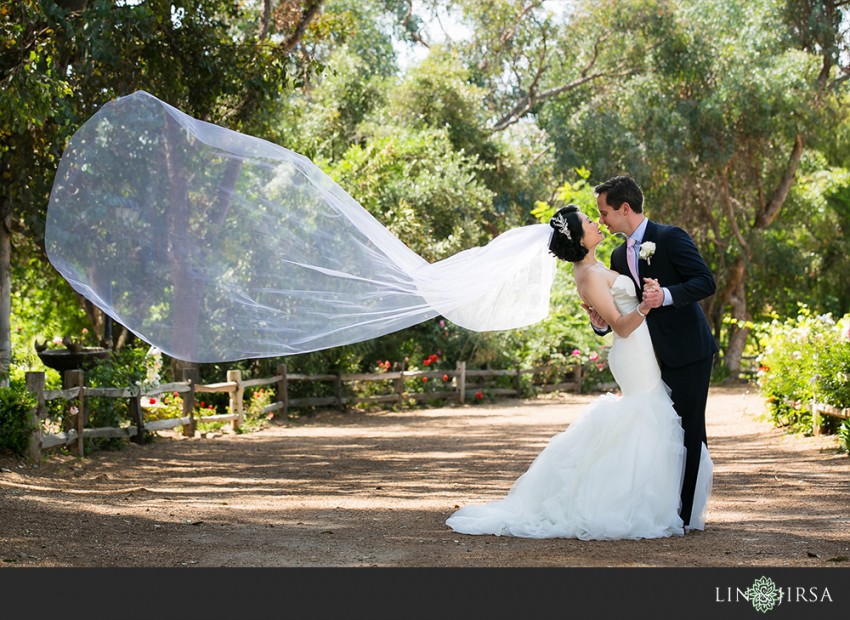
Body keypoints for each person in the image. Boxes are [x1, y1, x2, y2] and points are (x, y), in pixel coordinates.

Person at [445, 204, 713, 540]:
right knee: (647, 415)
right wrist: (645, 304)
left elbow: (607, 317)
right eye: (589, 220)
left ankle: (657, 501)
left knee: (652, 417)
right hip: (633, 351)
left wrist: (603, 319)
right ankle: (630, 504)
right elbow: (621, 326)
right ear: (578, 237)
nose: (596, 221)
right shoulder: (587, 275)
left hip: (646, 348)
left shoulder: (600, 264)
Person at [590, 176, 718, 530]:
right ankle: (664, 507)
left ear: (625, 208)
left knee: (689, 430)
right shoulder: (617, 255)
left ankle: (686, 515)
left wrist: (667, 295)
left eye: (605, 213)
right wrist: (600, 323)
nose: (602, 220)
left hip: (688, 350)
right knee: (663, 432)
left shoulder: (670, 237)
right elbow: (621, 309)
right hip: (648, 359)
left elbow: (705, 281)